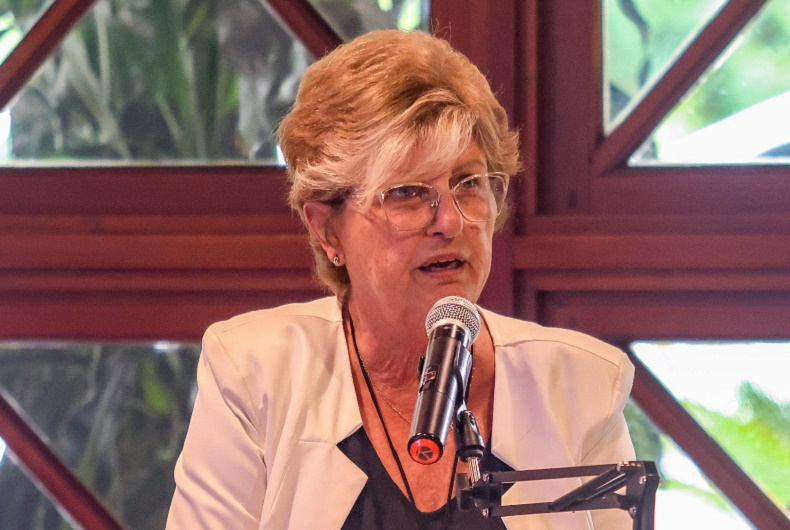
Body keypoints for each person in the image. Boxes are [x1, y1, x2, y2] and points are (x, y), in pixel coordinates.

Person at [167, 29, 636, 530]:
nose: (450, 221)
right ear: (328, 229)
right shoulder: (254, 373)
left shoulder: (581, 386)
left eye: (469, 183)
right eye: (408, 193)